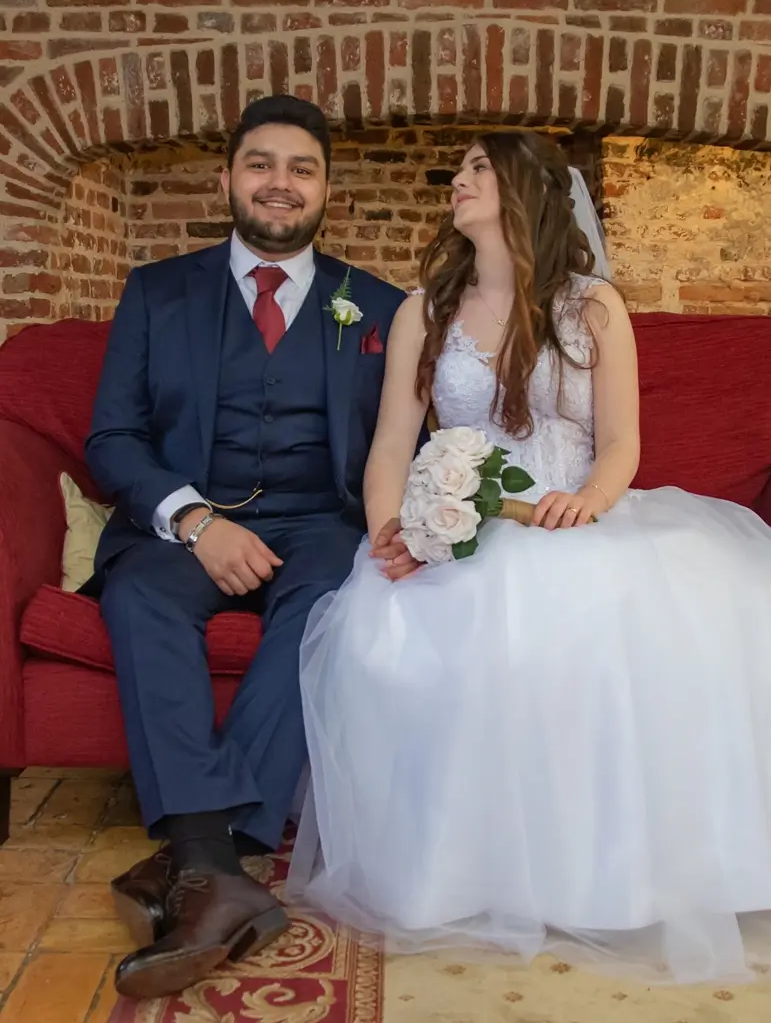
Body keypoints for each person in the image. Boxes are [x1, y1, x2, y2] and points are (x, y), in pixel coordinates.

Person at [286, 130, 771, 985]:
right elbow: (394, 444)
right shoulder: (423, 311)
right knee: (401, 621)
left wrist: (591, 499)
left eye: (478, 168)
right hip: (463, 525)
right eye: (459, 169)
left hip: (577, 517)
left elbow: (619, 441)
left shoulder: (593, 306)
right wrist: (390, 528)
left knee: (633, 616)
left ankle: (610, 876)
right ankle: (466, 869)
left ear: (525, 192)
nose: (457, 180)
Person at [84, 95, 406, 1000]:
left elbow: (402, 444)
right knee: (138, 595)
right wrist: (193, 520)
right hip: (186, 520)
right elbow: (112, 438)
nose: (280, 184)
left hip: (318, 523)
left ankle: (194, 865)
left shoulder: (374, 306)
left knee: (330, 607)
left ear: (326, 190)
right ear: (226, 179)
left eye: (301, 169)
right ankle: (218, 868)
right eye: (261, 164)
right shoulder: (157, 291)